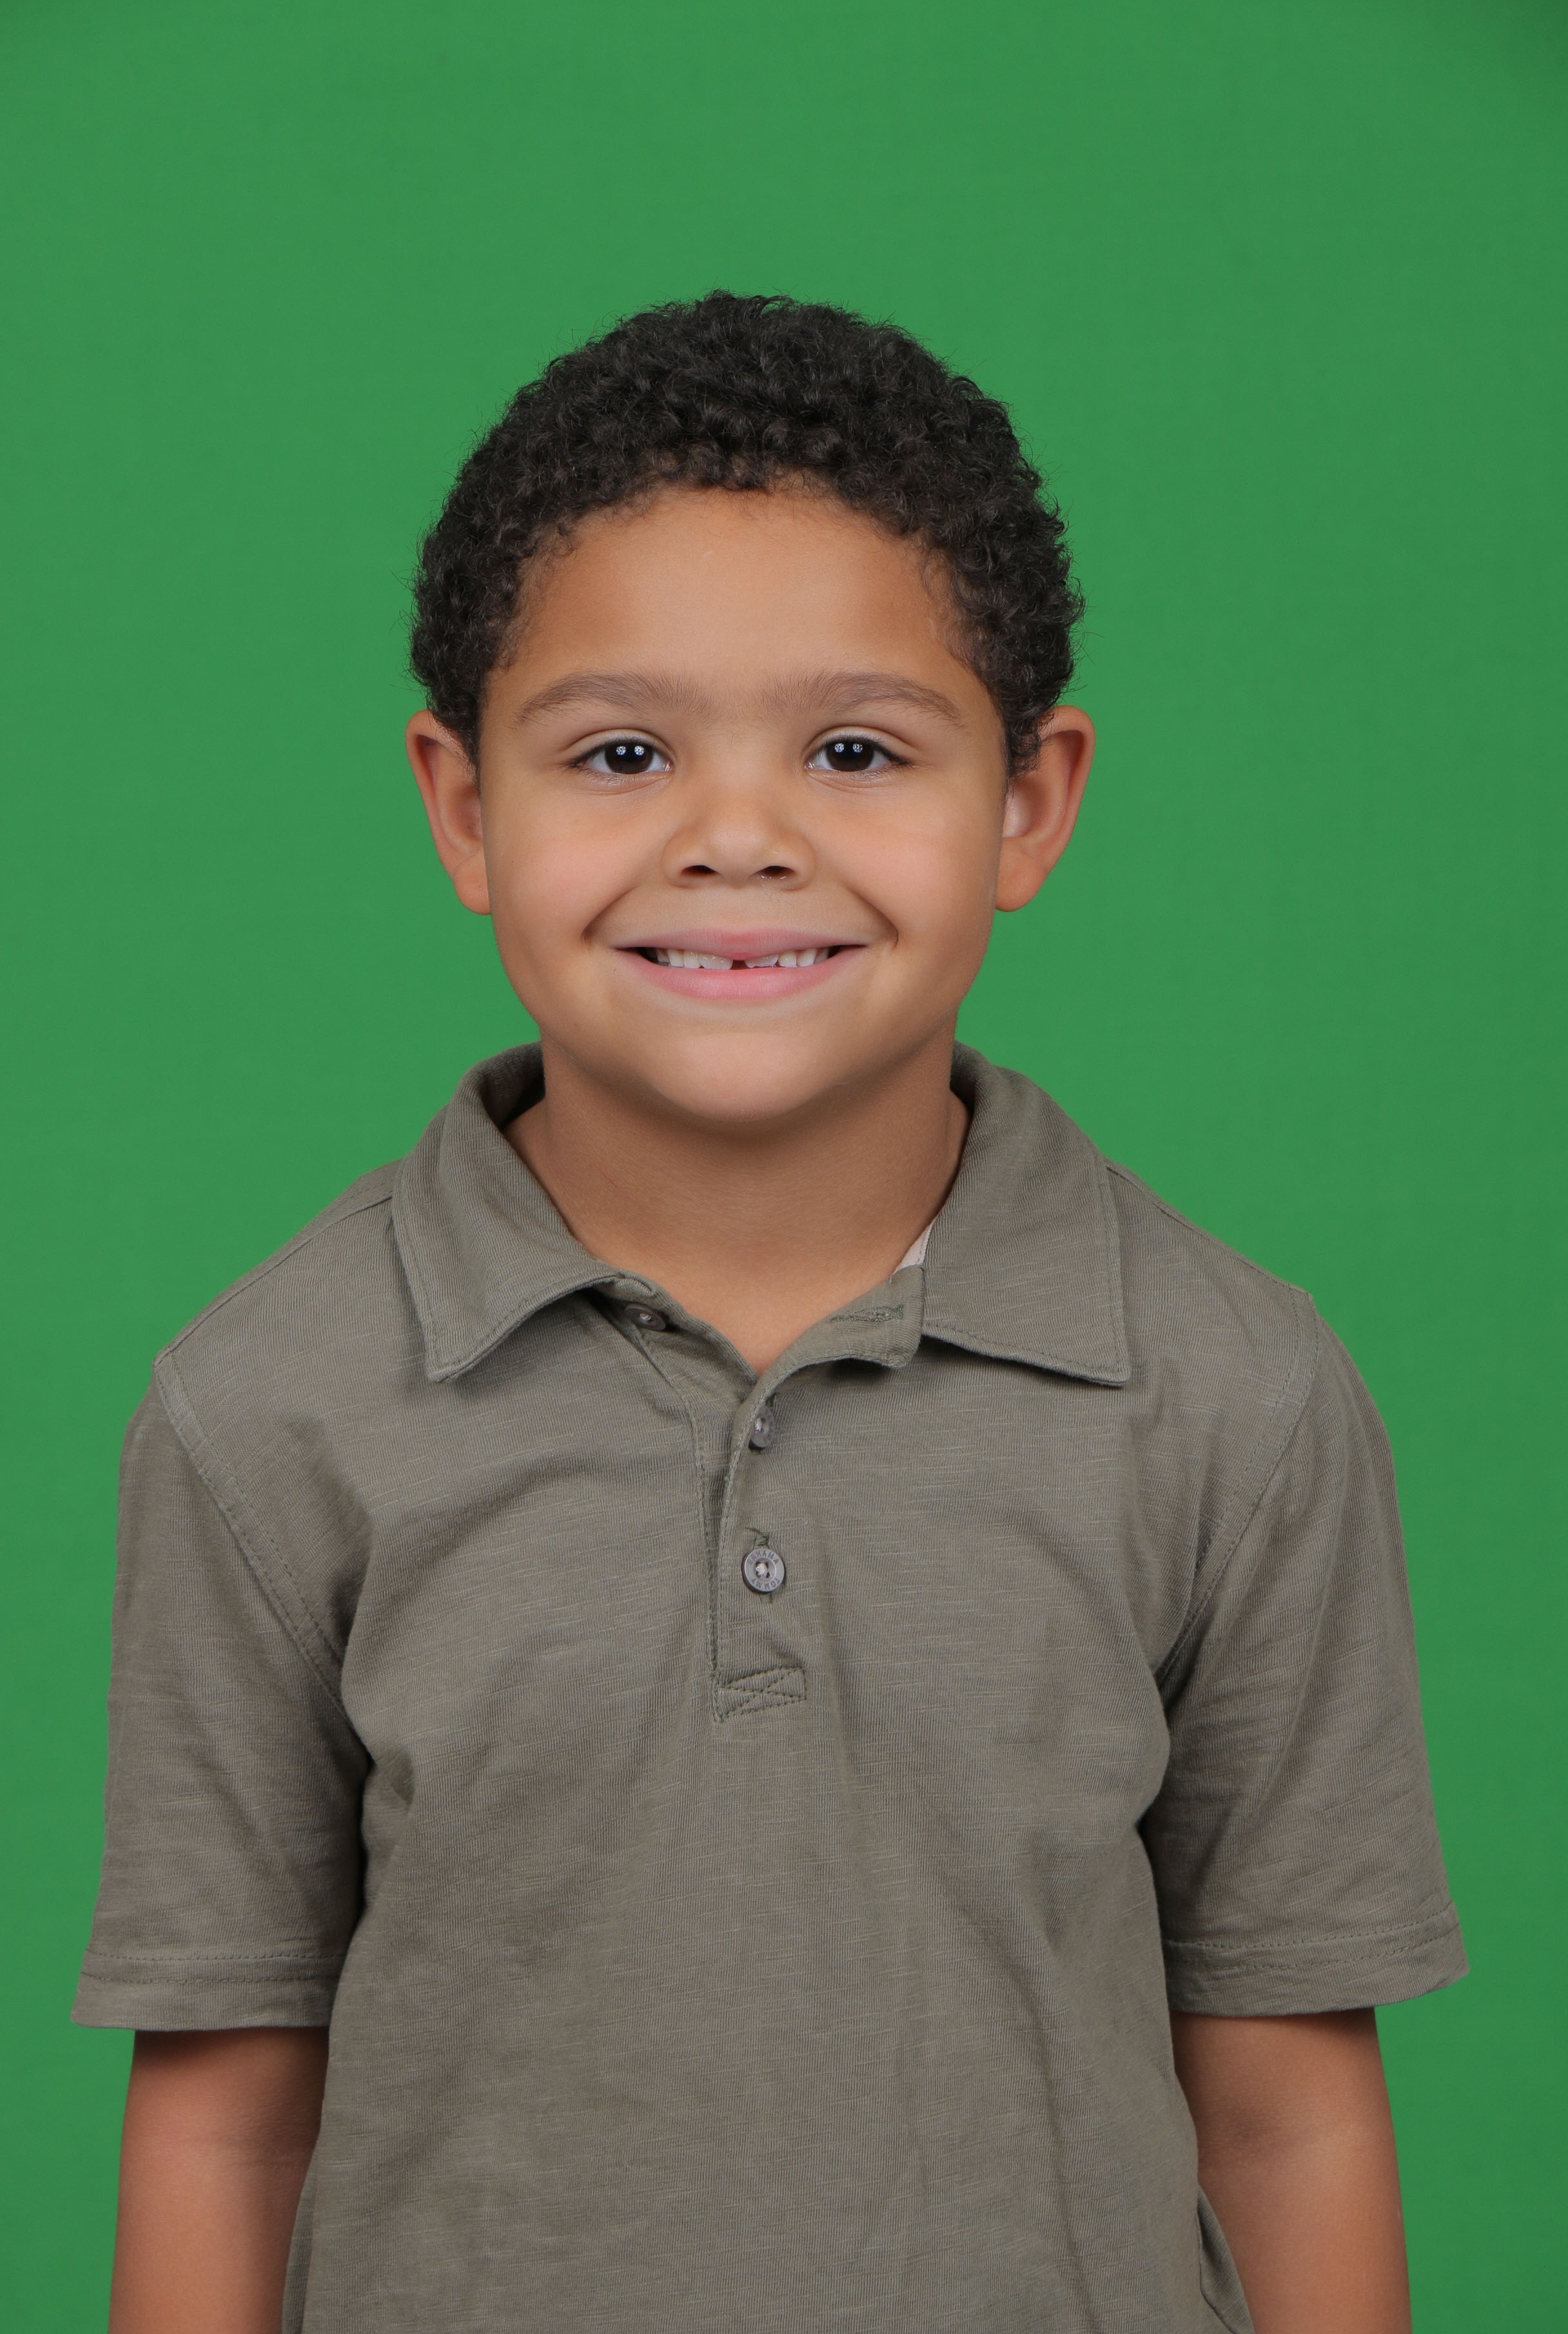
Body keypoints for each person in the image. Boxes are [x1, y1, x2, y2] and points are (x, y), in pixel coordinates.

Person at [81, 292, 1465, 2334]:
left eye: (855, 751)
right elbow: (225, 2120)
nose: (737, 839)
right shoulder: (264, 1407)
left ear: (1032, 800)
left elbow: (1286, 2113)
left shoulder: (1237, 1393)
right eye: (624, 754)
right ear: (463, 807)